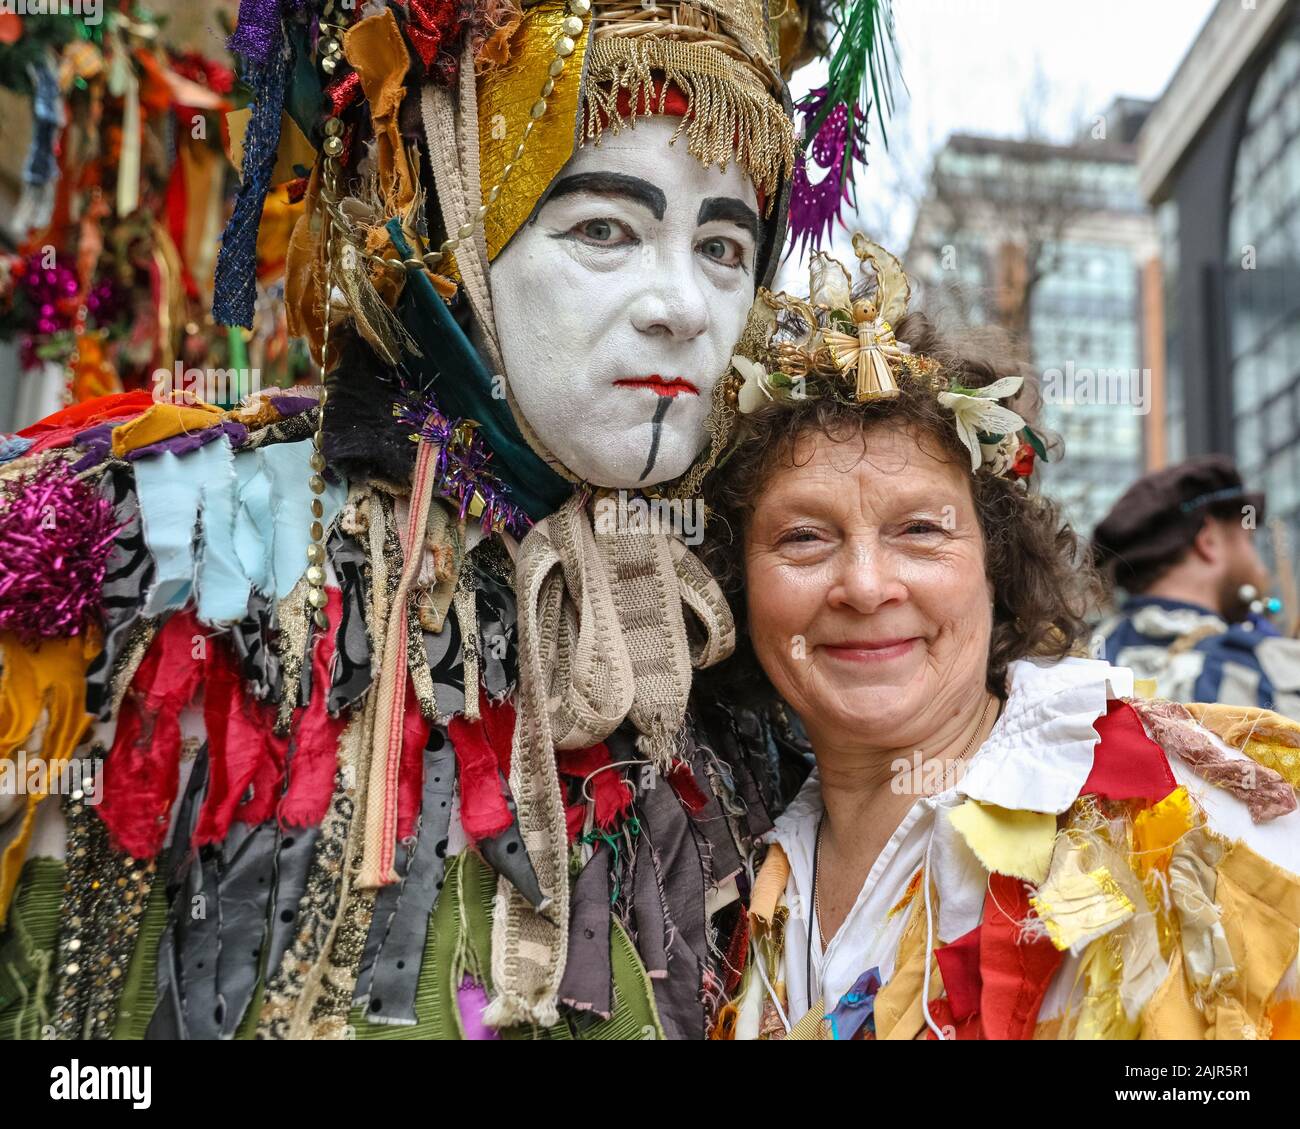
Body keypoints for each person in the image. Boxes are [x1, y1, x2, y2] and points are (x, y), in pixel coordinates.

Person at [0, 0, 894, 1040]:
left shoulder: (742, 648)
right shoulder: (152, 547)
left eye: (725, 247)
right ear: (440, 227)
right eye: (604, 230)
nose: (683, 306)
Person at [701, 236, 1300, 1040]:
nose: (868, 585)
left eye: (920, 529)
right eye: (805, 537)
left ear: (996, 564)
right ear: (739, 582)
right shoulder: (727, 875)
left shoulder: (1196, 806)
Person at [1093, 457, 1300, 717]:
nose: (1260, 568)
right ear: (1208, 540)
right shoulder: (1263, 672)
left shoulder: (1078, 662)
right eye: (1248, 540)